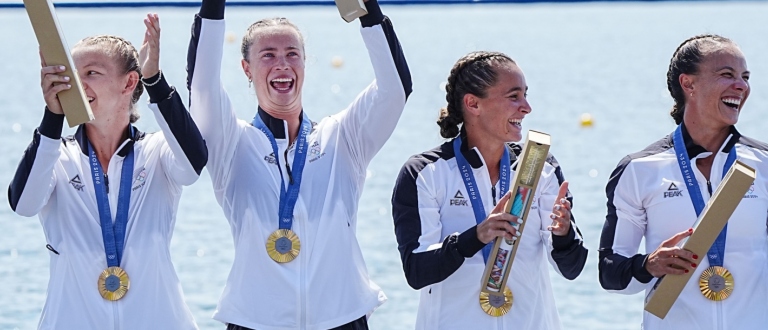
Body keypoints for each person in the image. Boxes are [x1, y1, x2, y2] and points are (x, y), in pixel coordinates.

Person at [186, 0, 411, 328]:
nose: (282, 64)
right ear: (246, 68)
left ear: (305, 63)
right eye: (268, 55)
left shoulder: (343, 137)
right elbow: (201, 86)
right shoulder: (230, 142)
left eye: (292, 53)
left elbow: (394, 91)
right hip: (256, 321)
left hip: (342, 318)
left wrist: (369, 12)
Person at [8, 14, 206, 329]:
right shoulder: (56, 156)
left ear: (129, 82)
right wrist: (52, 115)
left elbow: (194, 163)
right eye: (73, 73)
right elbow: (23, 204)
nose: (76, 83)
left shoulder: (156, 152)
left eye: (92, 73)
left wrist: (153, 79)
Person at [391, 51, 587, 329]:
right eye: (514, 96)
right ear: (473, 104)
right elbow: (417, 271)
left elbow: (572, 268)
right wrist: (475, 237)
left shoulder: (539, 166)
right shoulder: (425, 172)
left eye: (525, 95)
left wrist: (563, 234)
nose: (527, 107)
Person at [598, 34, 768, 329]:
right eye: (726, 75)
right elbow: (610, 275)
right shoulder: (639, 169)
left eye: (745, 77)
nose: (741, 86)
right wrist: (648, 265)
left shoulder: (764, 164)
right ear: (688, 84)